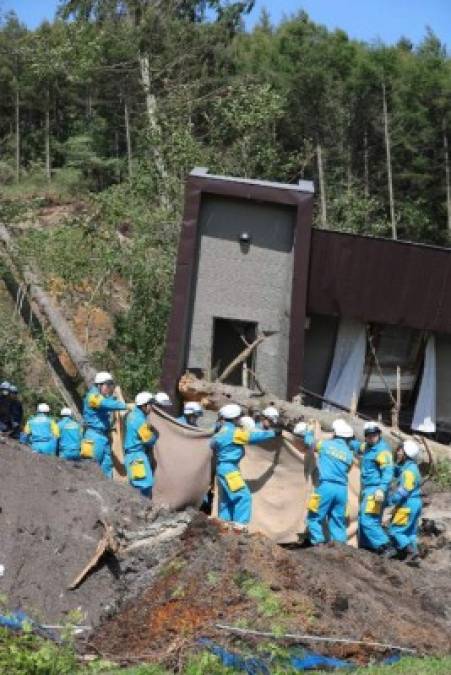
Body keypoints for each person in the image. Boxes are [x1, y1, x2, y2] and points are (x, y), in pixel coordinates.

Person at [210, 403, 279, 527]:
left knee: (226, 501)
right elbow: (254, 436)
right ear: (235, 418)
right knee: (243, 497)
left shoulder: (220, 432)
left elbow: (212, 444)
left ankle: (223, 527)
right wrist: (274, 433)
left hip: (221, 468)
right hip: (230, 470)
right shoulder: (235, 432)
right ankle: (239, 528)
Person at [305, 419, 355, 545]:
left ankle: (318, 543)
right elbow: (348, 469)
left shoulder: (325, 445)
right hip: (342, 490)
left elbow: (309, 442)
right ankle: (340, 547)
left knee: (314, 516)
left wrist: (309, 431)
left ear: (335, 433)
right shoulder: (349, 454)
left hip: (325, 487)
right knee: (338, 519)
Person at [82, 371, 127, 477]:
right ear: (99, 385)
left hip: (103, 437)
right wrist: (124, 405)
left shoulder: (101, 396)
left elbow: (107, 401)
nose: (109, 388)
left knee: (107, 467)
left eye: (111, 385)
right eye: (107, 384)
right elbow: (105, 403)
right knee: (91, 469)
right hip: (93, 437)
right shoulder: (92, 397)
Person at [357, 421, 394, 553]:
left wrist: (381, 488)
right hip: (368, 489)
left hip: (375, 490)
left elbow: (388, 471)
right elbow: (357, 446)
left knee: (367, 520)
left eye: (374, 434)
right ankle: (370, 547)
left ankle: (386, 546)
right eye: (369, 435)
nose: (371, 437)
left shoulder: (382, 451)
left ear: (378, 434)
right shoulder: (367, 447)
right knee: (371, 519)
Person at [384, 439, 422, 564]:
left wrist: (391, 500)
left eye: (400, 451)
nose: (398, 453)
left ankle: (411, 552)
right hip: (416, 503)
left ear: (406, 454)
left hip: (408, 504)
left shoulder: (409, 472)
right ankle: (412, 555)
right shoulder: (411, 467)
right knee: (410, 531)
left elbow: (405, 489)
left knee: (395, 530)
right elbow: (399, 470)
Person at [124, 392, 158, 497]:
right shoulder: (140, 420)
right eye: (150, 404)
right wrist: (155, 434)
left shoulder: (132, 415)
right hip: (136, 456)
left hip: (131, 456)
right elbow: (149, 440)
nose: (152, 408)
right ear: (143, 406)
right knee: (144, 486)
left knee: (138, 486)